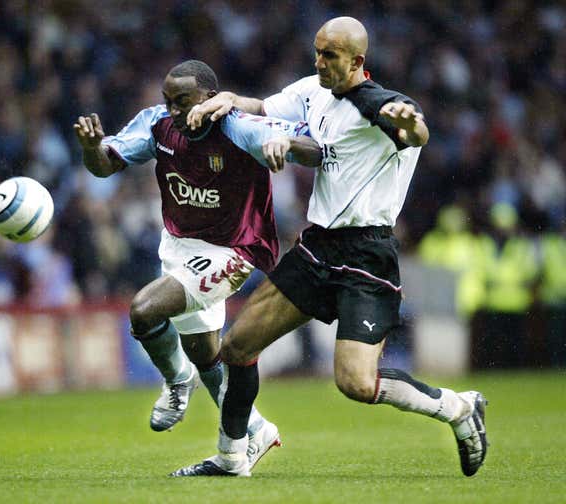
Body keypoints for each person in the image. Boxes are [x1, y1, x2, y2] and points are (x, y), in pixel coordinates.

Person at [172, 17, 488, 477]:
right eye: (317, 52)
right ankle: (231, 456)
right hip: (318, 247)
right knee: (237, 346)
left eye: (330, 56)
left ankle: (459, 408)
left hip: (367, 257)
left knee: (356, 383)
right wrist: (225, 99)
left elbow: (414, 131)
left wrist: (413, 127)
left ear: (357, 61)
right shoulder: (312, 91)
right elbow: (261, 106)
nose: (319, 62)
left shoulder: (383, 106)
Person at [73, 60, 321, 468]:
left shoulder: (238, 127)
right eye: (168, 101)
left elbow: (313, 148)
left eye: (183, 102)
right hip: (179, 246)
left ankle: (175, 381)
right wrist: (90, 148)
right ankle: (255, 430)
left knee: (144, 311)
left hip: (234, 250)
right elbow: (106, 164)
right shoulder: (158, 125)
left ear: (210, 98)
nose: (174, 110)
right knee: (206, 355)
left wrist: (289, 145)